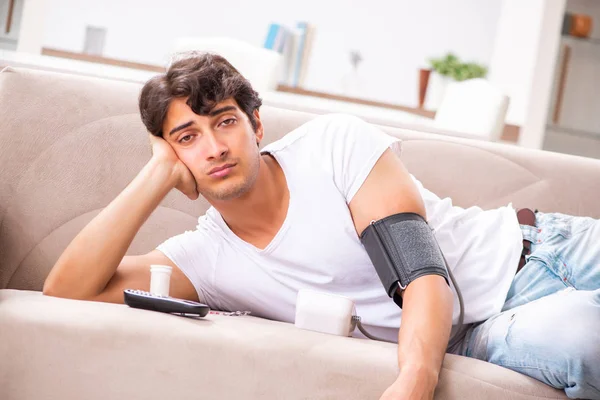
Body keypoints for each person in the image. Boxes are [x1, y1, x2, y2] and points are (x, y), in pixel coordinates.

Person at [43, 52, 600, 400]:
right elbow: (68, 290)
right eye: (187, 137)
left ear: (256, 123)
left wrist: (414, 381)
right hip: (485, 333)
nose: (213, 147)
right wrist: (155, 175)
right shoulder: (207, 257)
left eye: (225, 122)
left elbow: (422, 275)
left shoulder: (333, 144)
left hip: (544, 249)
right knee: (582, 339)